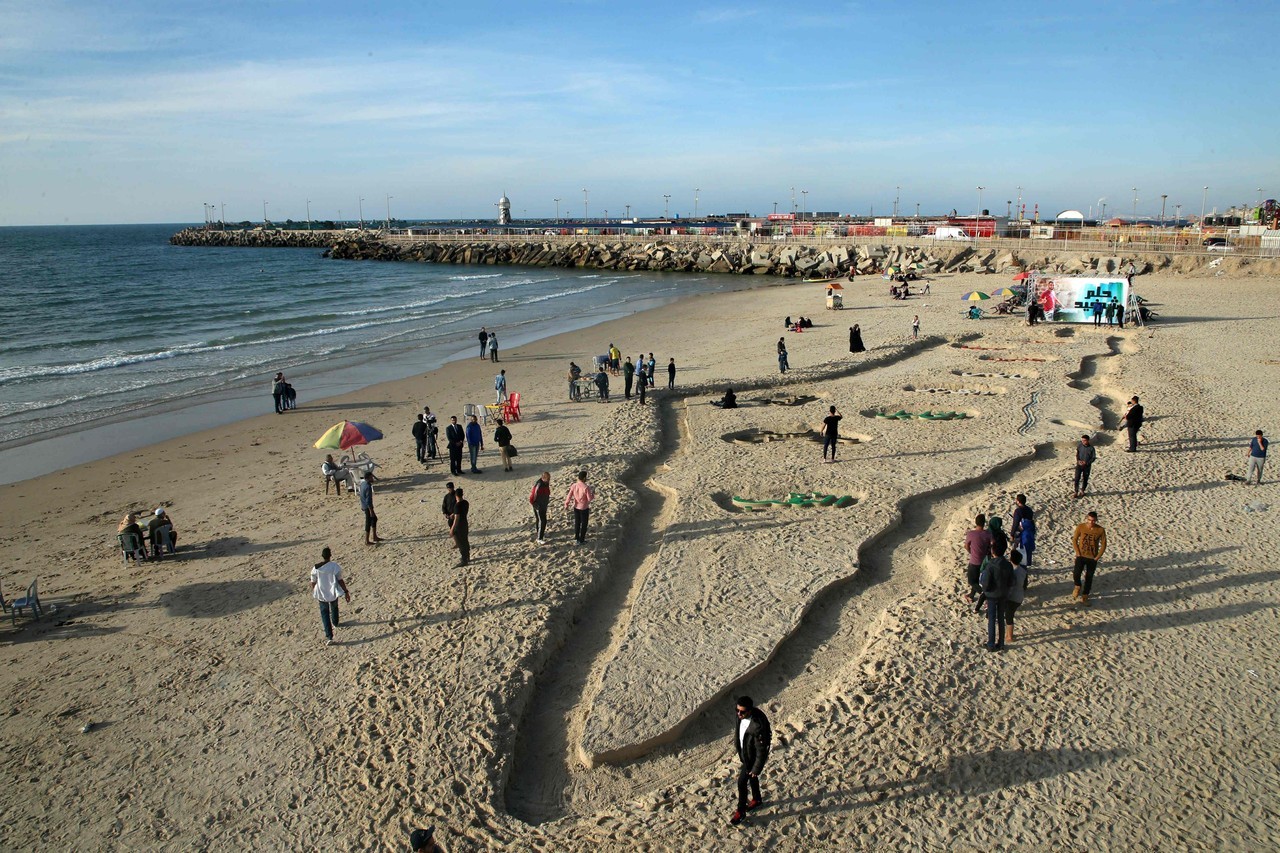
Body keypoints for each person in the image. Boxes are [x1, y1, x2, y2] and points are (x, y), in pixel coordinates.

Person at [729, 695, 772, 825]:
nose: (738, 714)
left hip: (751, 758)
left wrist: (756, 768)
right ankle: (757, 799)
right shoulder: (740, 716)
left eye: (742, 712)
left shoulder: (758, 725)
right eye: (737, 710)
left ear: (750, 710)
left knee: (742, 783)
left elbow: (761, 750)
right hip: (745, 753)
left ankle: (741, 811)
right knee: (752, 777)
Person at [309, 546, 350, 647]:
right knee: (334, 607)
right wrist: (346, 591)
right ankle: (335, 622)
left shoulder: (316, 568)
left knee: (324, 614)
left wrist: (315, 590)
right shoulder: (334, 566)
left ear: (322, 556)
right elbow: (340, 580)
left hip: (321, 593)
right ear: (330, 556)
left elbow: (313, 581)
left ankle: (329, 636)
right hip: (332, 592)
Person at [977, 540, 1012, 652]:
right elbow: (1011, 581)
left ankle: (991, 644)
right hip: (1003, 594)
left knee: (992, 620)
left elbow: (985, 583)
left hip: (992, 595)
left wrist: (985, 591)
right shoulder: (1008, 565)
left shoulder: (990, 565)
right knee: (1001, 618)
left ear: (993, 551)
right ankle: (1001, 643)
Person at [1071, 510, 1107, 605]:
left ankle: (1085, 596)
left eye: (1093, 520)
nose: (1091, 522)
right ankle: (1077, 586)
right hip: (1081, 555)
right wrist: (1077, 552)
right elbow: (1075, 539)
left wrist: (1097, 557)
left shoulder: (1100, 530)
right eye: (1089, 520)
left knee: (1089, 577)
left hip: (1092, 557)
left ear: (1096, 520)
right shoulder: (1081, 527)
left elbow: (1103, 544)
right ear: (1087, 519)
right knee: (1076, 573)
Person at [962, 514, 993, 602]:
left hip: (974, 561)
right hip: (984, 561)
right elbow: (993, 543)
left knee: (972, 581)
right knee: (976, 580)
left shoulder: (971, 534)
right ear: (984, 523)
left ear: (976, 522)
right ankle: (971, 595)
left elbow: (966, 546)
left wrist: (971, 552)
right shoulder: (988, 533)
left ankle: (984, 594)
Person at [1004, 548, 1028, 644]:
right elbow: (1025, 585)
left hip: (1012, 597)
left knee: (1009, 616)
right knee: (1010, 614)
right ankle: (1008, 634)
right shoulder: (1023, 571)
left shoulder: (1012, 571)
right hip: (1020, 596)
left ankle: (1010, 636)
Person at [565, 470, 595, 544]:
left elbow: (569, 495)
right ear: (584, 478)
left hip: (576, 507)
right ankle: (581, 540)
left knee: (577, 523)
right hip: (584, 508)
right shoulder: (586, 487)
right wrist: (593, 493)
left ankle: (576, 537)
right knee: (584, 524)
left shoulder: (574, 485)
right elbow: (590, 499)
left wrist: (566, 503)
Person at [357, 471, 381, 545]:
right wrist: (371, 511)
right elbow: (368, 500)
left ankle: (374, 536)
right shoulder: (368, 486)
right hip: (368, 507)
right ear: (368, 478)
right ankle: (367, 540)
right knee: (368, 522)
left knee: (374, 519)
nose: (372, 478)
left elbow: (361, 496)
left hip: (364, 505)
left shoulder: (363, 484)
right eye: (371, 477)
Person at [1012, 493, 1036, 567]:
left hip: (1021, 532)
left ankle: (1020, 563)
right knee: (1028, 548)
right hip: (1030, 532)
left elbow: (1015, 523)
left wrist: (1012, 534)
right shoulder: (1029, 510)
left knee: (1018, 548)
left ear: (1018, 501)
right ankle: (1027, 562)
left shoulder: (1018, 511)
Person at [529, 471, 552, 544]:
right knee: (542, 521)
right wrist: (535, 505)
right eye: (547, 479)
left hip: (543, 505)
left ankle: (541, 533)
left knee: (540, 520)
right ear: (543, 478)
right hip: (538, 506)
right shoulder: (539, 485)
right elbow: (532, 496)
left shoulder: (545, 483)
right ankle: (539, 538)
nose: (548, 480)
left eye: (549, 479)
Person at [451, 487, 470, 566]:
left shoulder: (457, 505)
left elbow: (456, 519)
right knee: (465, 540)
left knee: (460, 543)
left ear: (456, 495)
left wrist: (452, 529)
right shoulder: (466, 502)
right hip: (465, 523)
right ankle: (467, 556)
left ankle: (464, 559)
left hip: (459, 526)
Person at [1073, 434, 1096, 498]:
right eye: (1082, 440)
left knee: (1085, 479)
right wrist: (1078, 461)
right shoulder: (1080, 446)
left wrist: (1086, 463)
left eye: (1084, 440)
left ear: (1088, 440)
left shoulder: (1091, 448)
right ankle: (1076, 491)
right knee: (1077, 478)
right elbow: (1077, 454)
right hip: (1079, 465)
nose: (1083, 442)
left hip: (1087, 466)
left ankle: (1082, 490)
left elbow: (1093, 458)